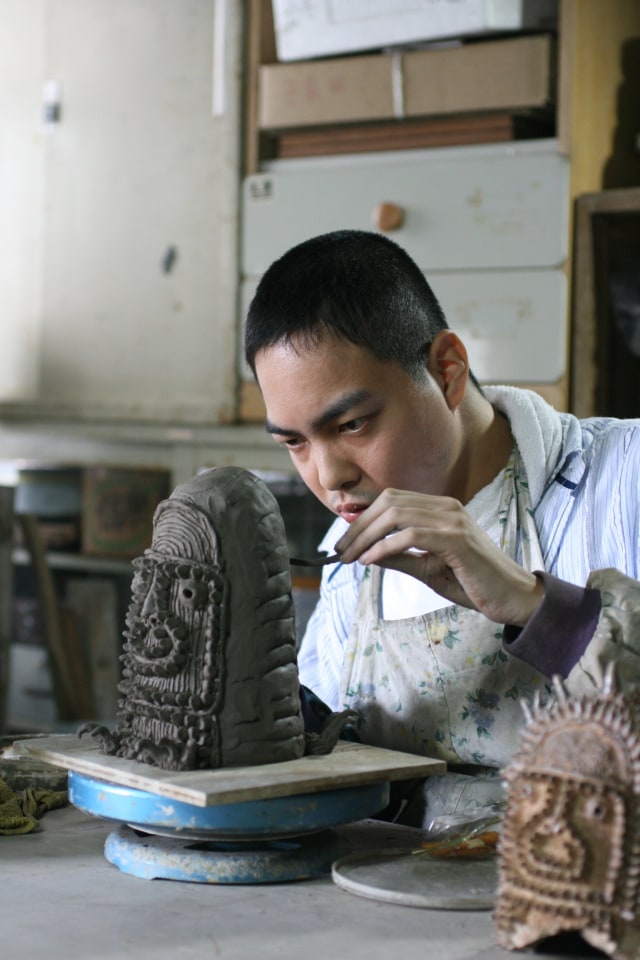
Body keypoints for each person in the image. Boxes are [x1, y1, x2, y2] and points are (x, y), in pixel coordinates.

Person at [244, 229, 640, 829]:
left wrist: (536, 605)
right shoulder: (347, 562)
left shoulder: (624, 481)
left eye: (352, 424)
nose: (329, 477)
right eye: (295, 442)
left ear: (448, 371)